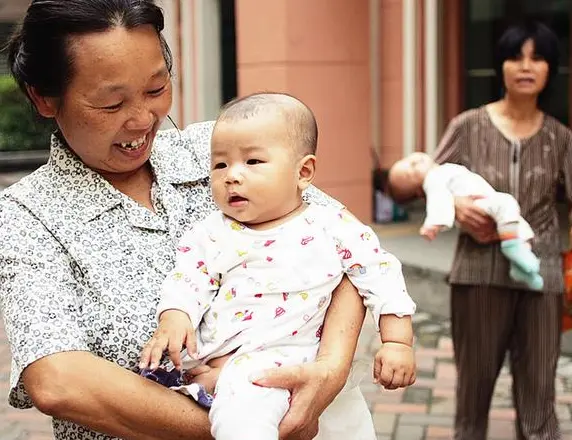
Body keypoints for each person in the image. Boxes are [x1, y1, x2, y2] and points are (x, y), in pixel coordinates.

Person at [0, 1, 379, 439]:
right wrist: (247, 426)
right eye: (111, 103)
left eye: (157, 89)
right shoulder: (27, 215)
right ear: (44, 98)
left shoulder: (220, 151)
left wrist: (330, 371)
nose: (143, 119)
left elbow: (350, 244)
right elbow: (59, 381)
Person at [139, 93, 417, 439]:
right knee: (244, 418)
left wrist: (397, 342)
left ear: (303, 172)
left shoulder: (334, 227)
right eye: (220, 165)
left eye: (252, 162)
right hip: (233, 364)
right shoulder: (213, 232)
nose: (231, 176)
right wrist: (174, 316)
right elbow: (188, 278)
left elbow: (381, 276)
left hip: (300, 360)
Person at [391, 21, 572, 439]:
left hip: (540, 277)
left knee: (539, 396)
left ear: (550, 69)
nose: (525, 66)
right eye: (515, 56)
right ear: (501, 66)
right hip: (476, 276)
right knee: (473, 395)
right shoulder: (467, 125)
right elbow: (426, 180)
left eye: (537, 57)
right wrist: (453, 206)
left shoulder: (561, 138)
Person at [388, 152, 543, 290]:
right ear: (419, 191)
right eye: (411, 172)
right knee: (507, 203)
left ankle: (520, 268)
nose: (415, 162)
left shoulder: (441, 170)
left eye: (408, 160)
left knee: (521, 227)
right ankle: (511, 247)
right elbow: (438, 200)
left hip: (485, 200)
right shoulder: (433, 178)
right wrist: (432, 224)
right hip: (478, 203)